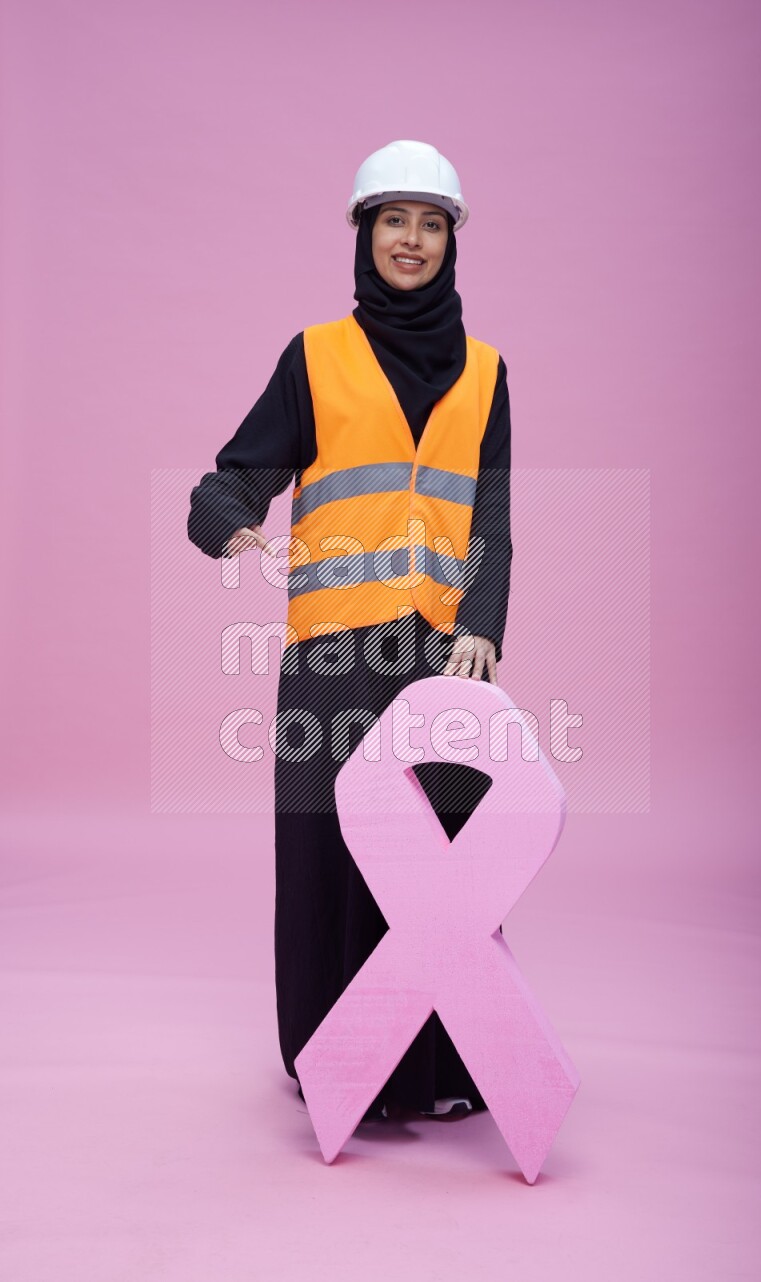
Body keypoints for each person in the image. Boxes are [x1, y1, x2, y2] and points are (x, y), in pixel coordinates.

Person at [187, 140, 513, 1122]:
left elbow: (489, 522)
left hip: (438, 651)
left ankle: (441, 1068)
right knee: (329, 846)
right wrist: (226, 513)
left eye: (428, 223)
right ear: (363, 233)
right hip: (334, 648)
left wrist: (482, 626)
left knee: (442, 848)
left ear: (450, 240)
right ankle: (335, 1061)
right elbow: (243, 466)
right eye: (392, 220)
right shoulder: (315, 354)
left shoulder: (489, 372)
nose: (409, 240)